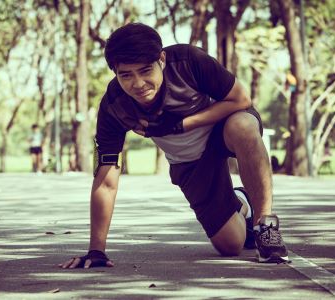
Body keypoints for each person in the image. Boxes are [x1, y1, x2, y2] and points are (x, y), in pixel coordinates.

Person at [60, 23, 288, 269]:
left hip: (223, 129)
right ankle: (242, 203)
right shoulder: (114, 107)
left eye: (146, 70)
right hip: (189, 161)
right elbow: (106, 179)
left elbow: (240, 99)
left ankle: (265, 225)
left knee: (243, 126)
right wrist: (96, 250)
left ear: (162, 59)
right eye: (126, 75)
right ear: (115, 72)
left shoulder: (189, 62)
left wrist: (181, 124)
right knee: (231, 244)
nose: (138, 83)